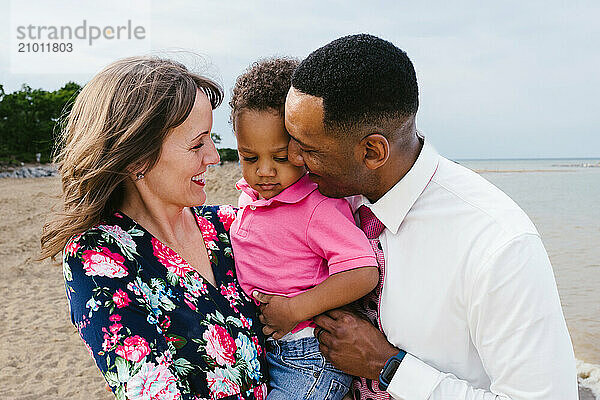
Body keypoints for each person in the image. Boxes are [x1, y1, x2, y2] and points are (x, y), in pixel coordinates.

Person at [283, 34, 578, 400]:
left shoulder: (498, 244)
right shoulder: (314, 198)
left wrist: (390, 367)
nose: (292, 157)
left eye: (308, 148)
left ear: (373, 151)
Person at [40, 56, 268, 400]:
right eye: (197, 143)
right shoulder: (99, 256)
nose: (214, 156)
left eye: (212, 138)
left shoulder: (233, 226)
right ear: (137, 157)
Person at [228, 57, 379, 400]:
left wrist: (295, 310)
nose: (264, 171)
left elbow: (362, 271)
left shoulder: (317, 206)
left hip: (309, 357)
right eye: (250, 157)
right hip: (267, 350)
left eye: (280, 158)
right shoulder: (249, 196)